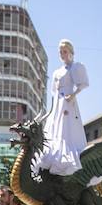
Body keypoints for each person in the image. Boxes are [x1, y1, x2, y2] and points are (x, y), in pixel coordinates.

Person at [36, 39, 89, 176]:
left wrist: (73, 95)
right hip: (58, 103)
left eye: (64, 51)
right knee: (55, 127)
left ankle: (68, 158)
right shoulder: (57, 72)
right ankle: (53, 154)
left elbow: (82, 84)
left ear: (71, 52)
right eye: (60, 52)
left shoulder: (75, 67)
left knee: (67, 129)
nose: (62, 54)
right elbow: (54, 90)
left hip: (67, 101)